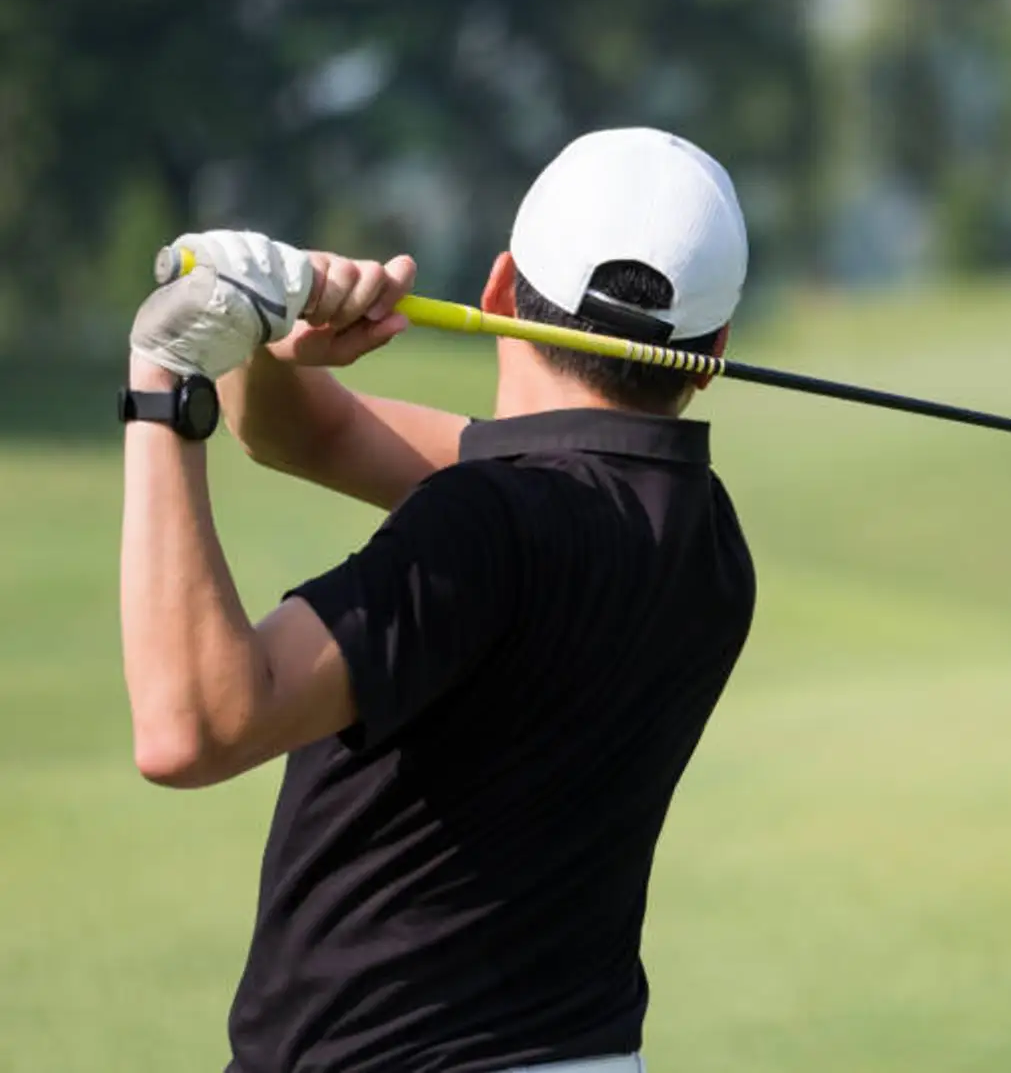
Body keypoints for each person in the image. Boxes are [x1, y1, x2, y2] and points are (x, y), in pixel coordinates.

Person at [119, 128, 757, 1073]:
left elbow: (192, 725)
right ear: (713, 353)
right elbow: (308, 439)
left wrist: (165, 381)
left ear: (498, 292)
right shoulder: (705, 533)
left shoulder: (490, 521)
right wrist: (276, 343)